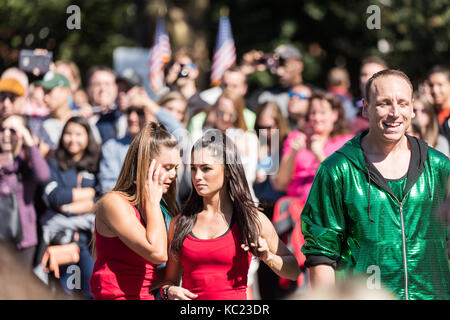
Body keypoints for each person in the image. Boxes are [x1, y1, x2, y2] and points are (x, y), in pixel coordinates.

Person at [301, 69, 450, 300]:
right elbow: (321, 252)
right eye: (384, 103)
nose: (395, 113)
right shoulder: (338, 169)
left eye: (402, 103)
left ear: (412, 108)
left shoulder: (439, 166)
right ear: (366, 107)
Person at [159, 130, 300, 300]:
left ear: (226, 170)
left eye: (206, 168)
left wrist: (268, 257)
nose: (197, 176)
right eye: (193, 169)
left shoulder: (250, 219)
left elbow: (293, 270)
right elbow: (169, 281)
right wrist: (169, 291)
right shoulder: (180, 222)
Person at [90, 122, 181, 300]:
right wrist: (153, 203)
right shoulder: (113, 203)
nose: (174, 175)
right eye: (168, 167)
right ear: (144, 166)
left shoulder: (158, 207)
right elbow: (157, 253)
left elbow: (153, 276)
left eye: (176, 168)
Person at [41, 116, 101, 298]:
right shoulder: (52, 160)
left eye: (78, 134)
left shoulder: (96, 161)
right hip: (60, 242)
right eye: (68, 133)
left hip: (86, 242)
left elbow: (102, 198)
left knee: (92, 291)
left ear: (87, 137)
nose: (73, 139)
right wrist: (88, 194)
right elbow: (55, 197)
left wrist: (68, 208)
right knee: (63, 293)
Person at [276, 90, 353, 203]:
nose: (316, 118)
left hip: (329, 206)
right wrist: (293, 153)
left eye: (322, 113)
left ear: (334, 115)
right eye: (313, 113)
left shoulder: (346, 142)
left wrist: (320, 155)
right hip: (295, 206)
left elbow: (344, 183)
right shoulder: (296, 137)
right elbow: (281, 183)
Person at [0, 115, 50, 269]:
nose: (6, 134)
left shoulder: (28, 160)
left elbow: (43, 175)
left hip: (23, 239)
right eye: (2, 129)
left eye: (13, 130)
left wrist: (29, 142)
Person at [163, 48, 210, 118]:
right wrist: (168, 84)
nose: (176, 69)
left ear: (195, 71)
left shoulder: (203, 107)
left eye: (181, 65)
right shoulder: (167, 102)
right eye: (174, 65)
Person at [352, 56, 388, 134]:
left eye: (374, 75)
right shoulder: (347, 111)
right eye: (364, 75)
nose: (367, 79)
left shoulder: (395, 112)